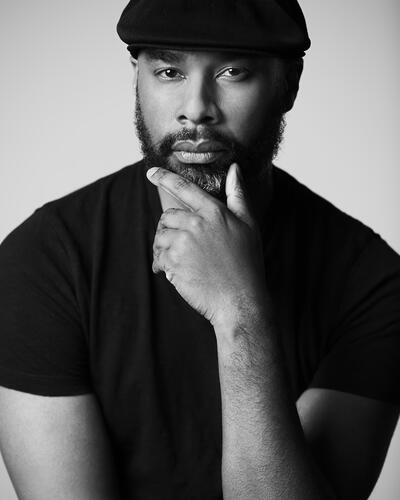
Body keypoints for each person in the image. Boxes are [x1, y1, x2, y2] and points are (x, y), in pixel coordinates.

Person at [0, 0, 399, 498]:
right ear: (137, 78)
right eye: (169, 71)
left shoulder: (372, 283)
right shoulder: (44, 261)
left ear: (288, 85)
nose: (195, 108)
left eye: (233, 71)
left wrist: (240, 311)